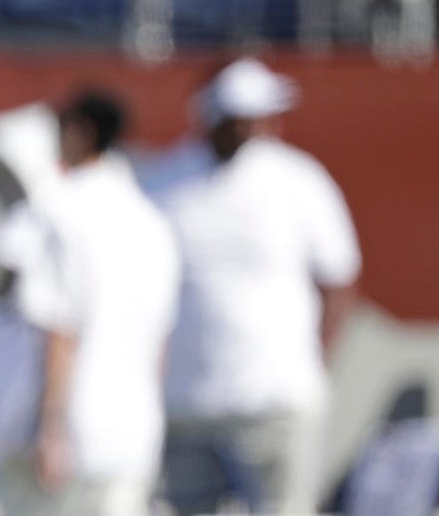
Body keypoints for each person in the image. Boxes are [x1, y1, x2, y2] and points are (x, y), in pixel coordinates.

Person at [139, 57, 362, 515]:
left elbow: (338, 279)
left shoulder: (298, 180)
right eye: (242, 118)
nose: (255, 127)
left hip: (275, 400)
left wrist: (315, 361)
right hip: (186, 405)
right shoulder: (164, 182)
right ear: (215, 118)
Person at [0, 90, 180, 516]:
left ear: (80, 131)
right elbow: (161, 344)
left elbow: (59, 328)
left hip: (71, 437)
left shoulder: (58, 212)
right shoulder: (154, 222)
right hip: (135, 433)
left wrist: (51, 430)